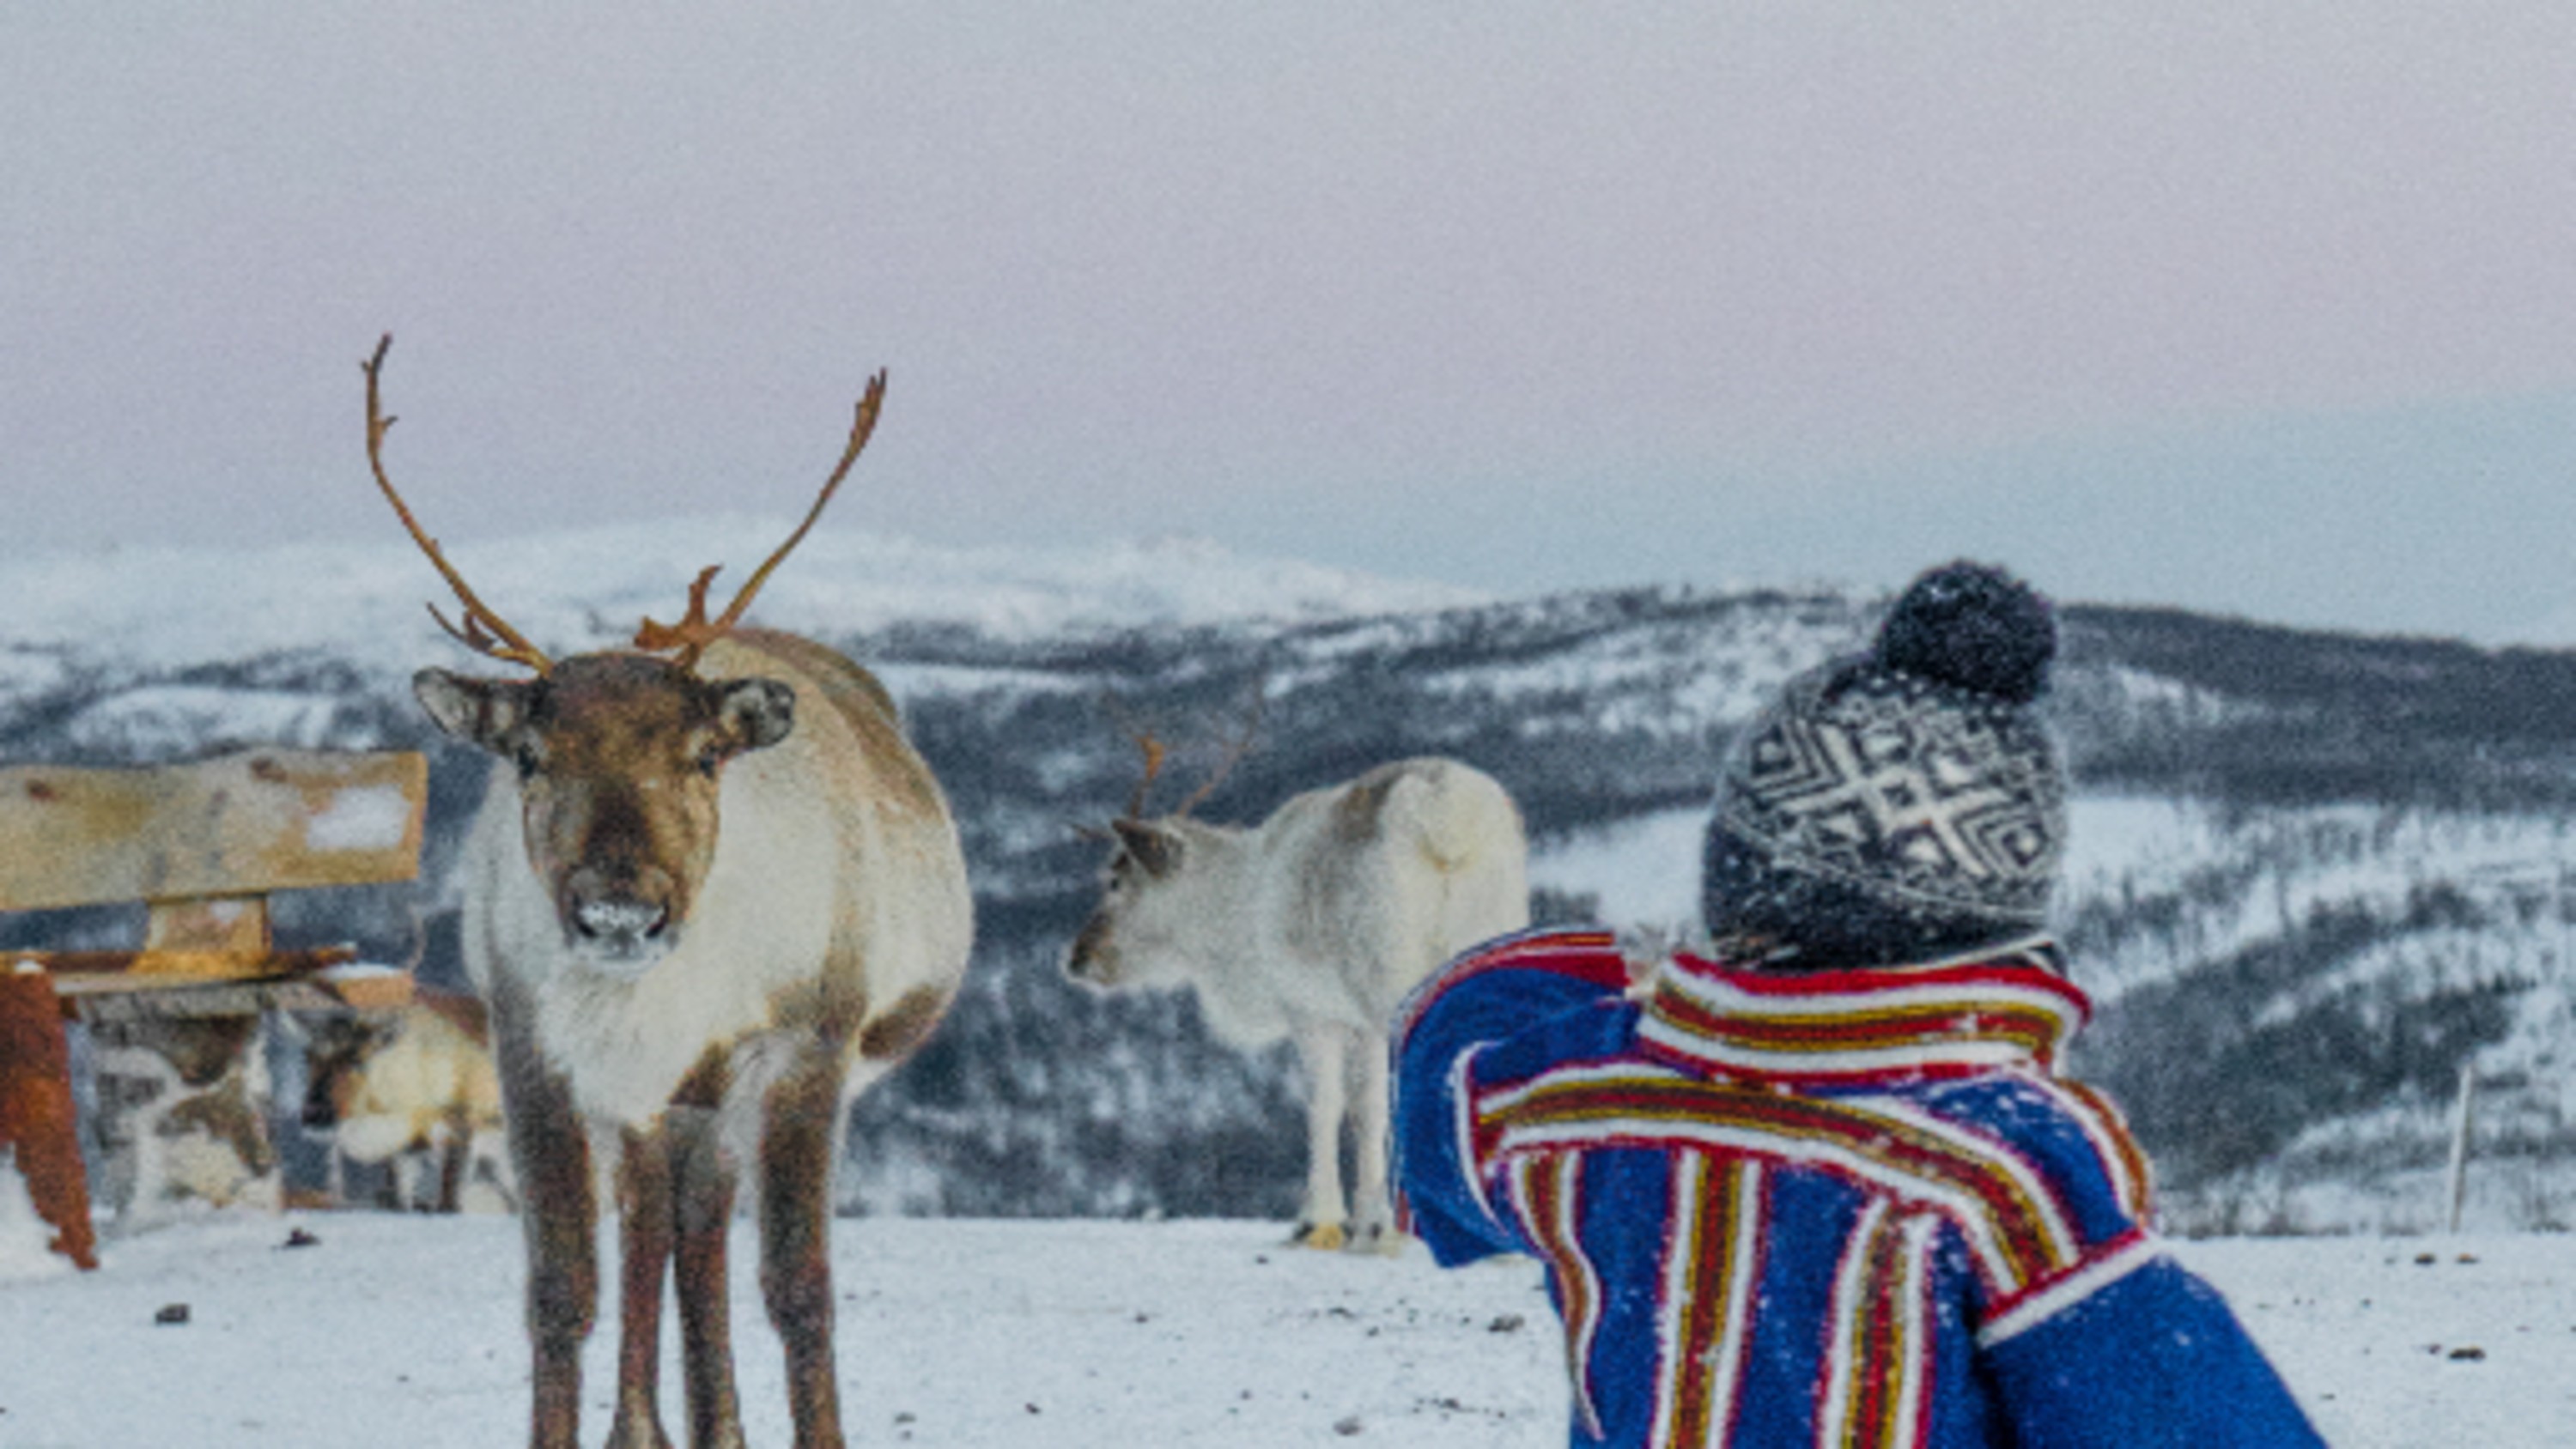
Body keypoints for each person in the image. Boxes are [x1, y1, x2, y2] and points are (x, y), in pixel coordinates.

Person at [1393, 561, 2325, 1447]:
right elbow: (2176, 1412)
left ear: (1739, 882)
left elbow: (1446, 1084)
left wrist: (1594, 983)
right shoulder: (2003, 1164)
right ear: (1982, 925)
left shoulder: (1574, 1099)